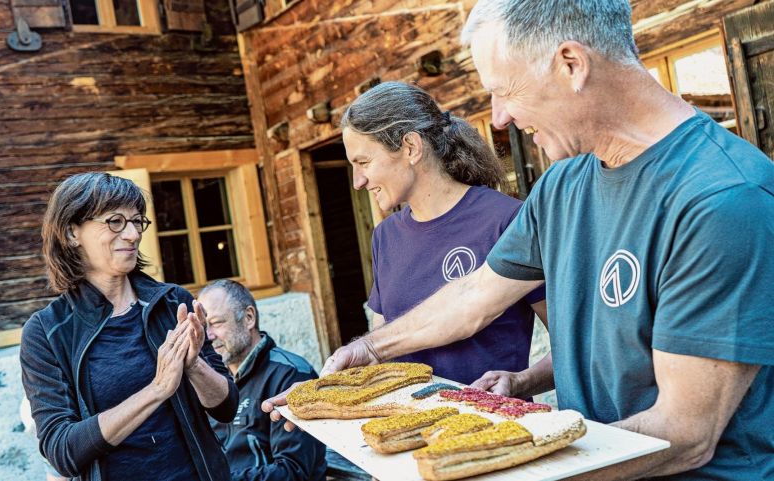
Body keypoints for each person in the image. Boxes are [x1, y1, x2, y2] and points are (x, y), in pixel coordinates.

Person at [265, 1, 774, 479]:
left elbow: (685, 435)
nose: (497, 117)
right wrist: (370, 349)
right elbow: (473, 297)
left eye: (505, 90)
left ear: (571, 64)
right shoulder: (562, 184)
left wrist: (490, 465)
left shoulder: (722, 199)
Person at [20, 172, 239, 481]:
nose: (133, 234)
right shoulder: (47, 332)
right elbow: (62, 451)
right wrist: (157, 389)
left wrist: (194, 367)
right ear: (72, 233)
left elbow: (227, 408)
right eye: (115, 222)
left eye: (137, 222)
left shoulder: (171, 303)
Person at [341, 81, 553, 396]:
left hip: (494, 431)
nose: (358, 181)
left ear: (410, 147)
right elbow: (381, 351)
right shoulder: (385, 236)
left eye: (363, 162)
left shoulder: (508, 220)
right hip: (411, 432)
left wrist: (523, 381)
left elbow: (574, 343)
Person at [200, 279, 326, 481]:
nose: (209, 335)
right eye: (204, 326)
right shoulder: (213, 383)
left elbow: (293, 472)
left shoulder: (291, 375)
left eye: (216, 323)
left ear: (249, 318)